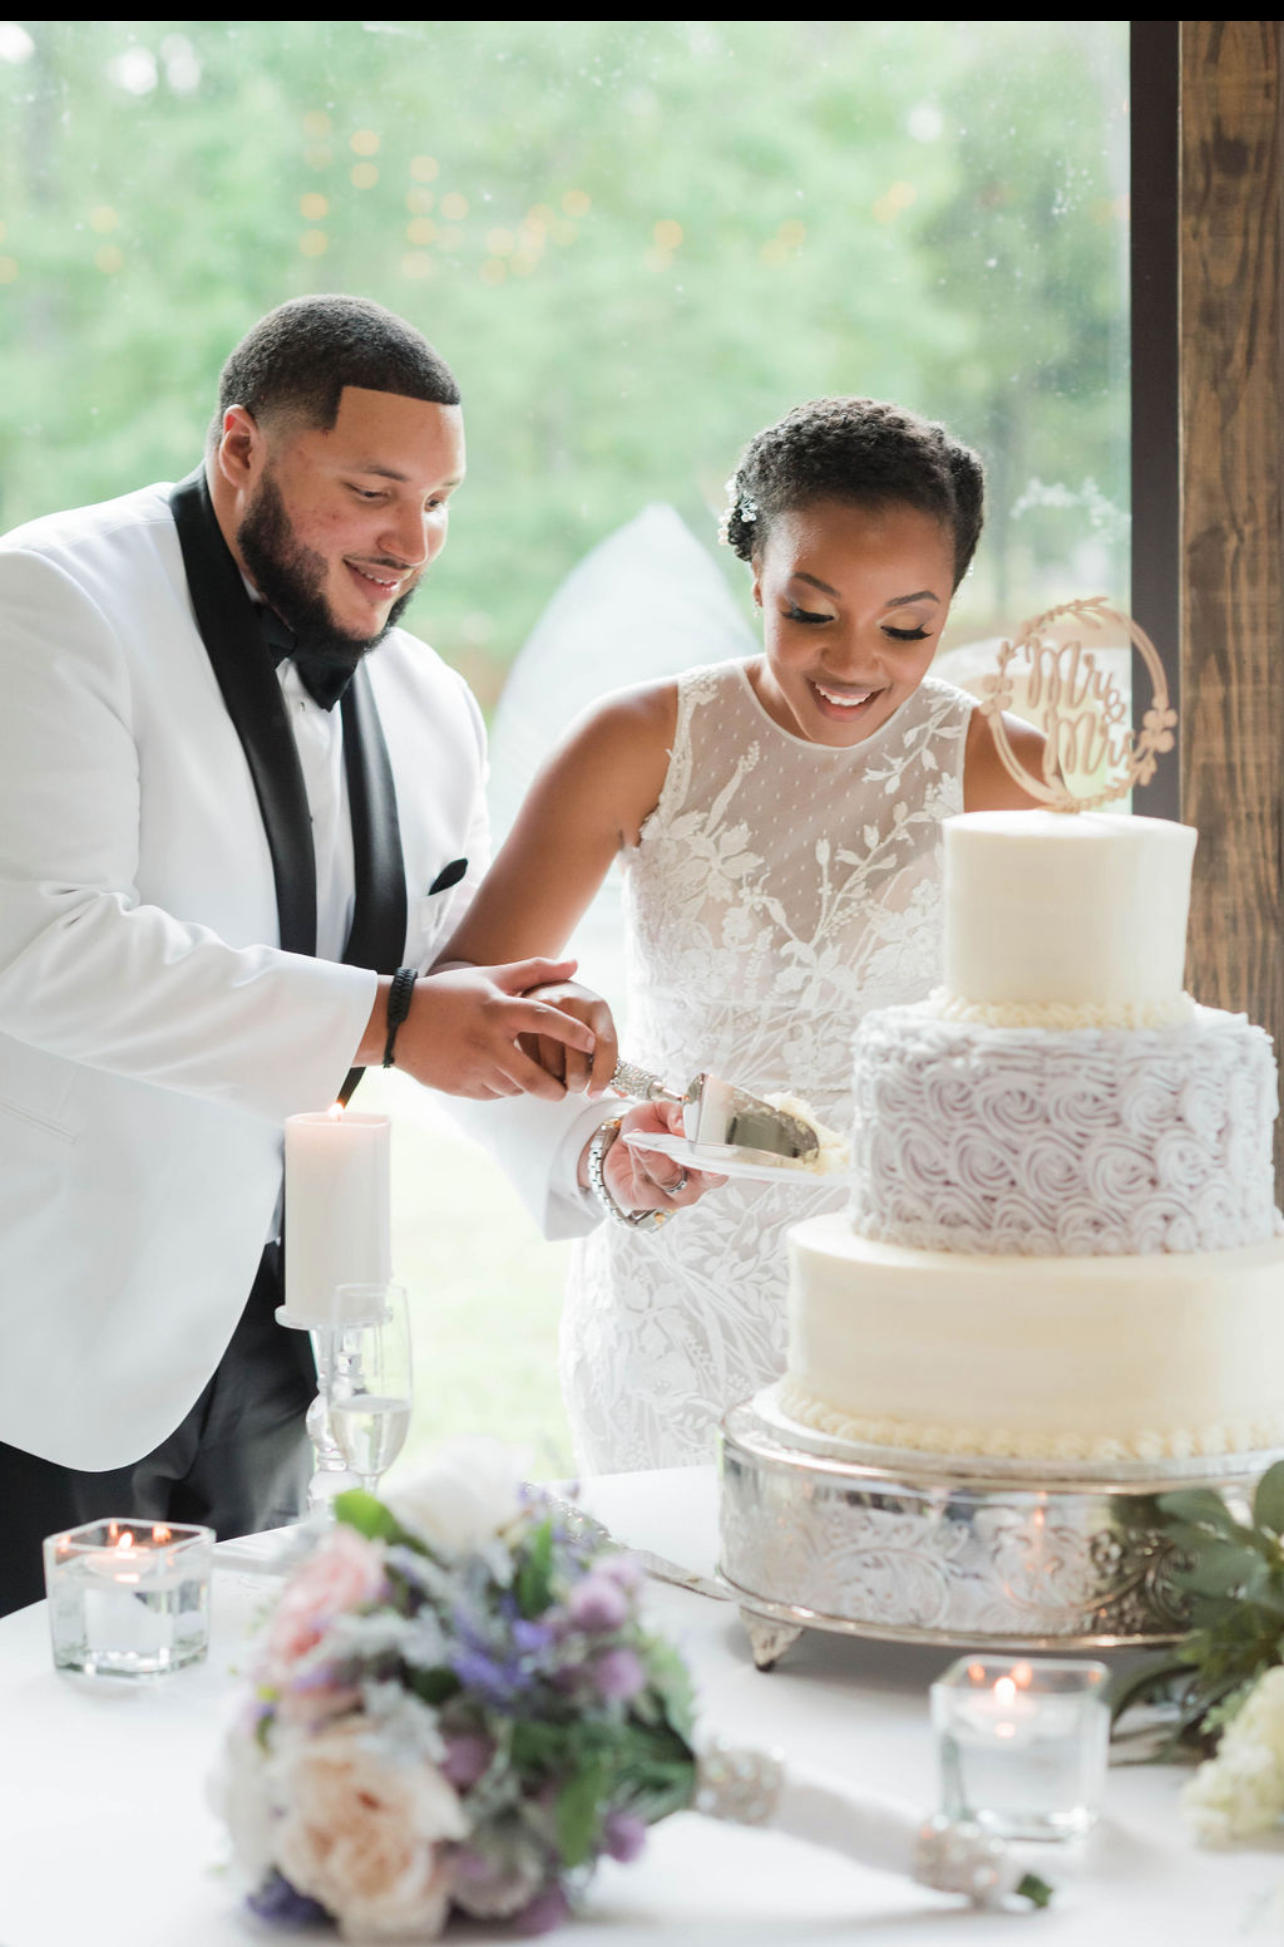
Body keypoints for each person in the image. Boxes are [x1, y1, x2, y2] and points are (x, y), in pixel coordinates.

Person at [0, 295, 693, 1616]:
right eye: (375, 492)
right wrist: (391, 1015)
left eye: (438, 503)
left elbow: (448, 999)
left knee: (227, 1736)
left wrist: (601, 1141)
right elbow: (44, 944)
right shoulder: (48, 603)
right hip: (44, 1338)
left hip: (287, 1340)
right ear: (242, 448)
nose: (412, 543)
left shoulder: (429, 704)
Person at [440, 396, 1044, 1471]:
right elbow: (464, 1010)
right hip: (676, 1292)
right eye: (812, 613)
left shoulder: (1010, 769)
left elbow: (1066, 1053)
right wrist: (592, 1126)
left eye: (908, 626)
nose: (856, 663)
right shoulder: (636, 742)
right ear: (755, 575)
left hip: (905, 1287)